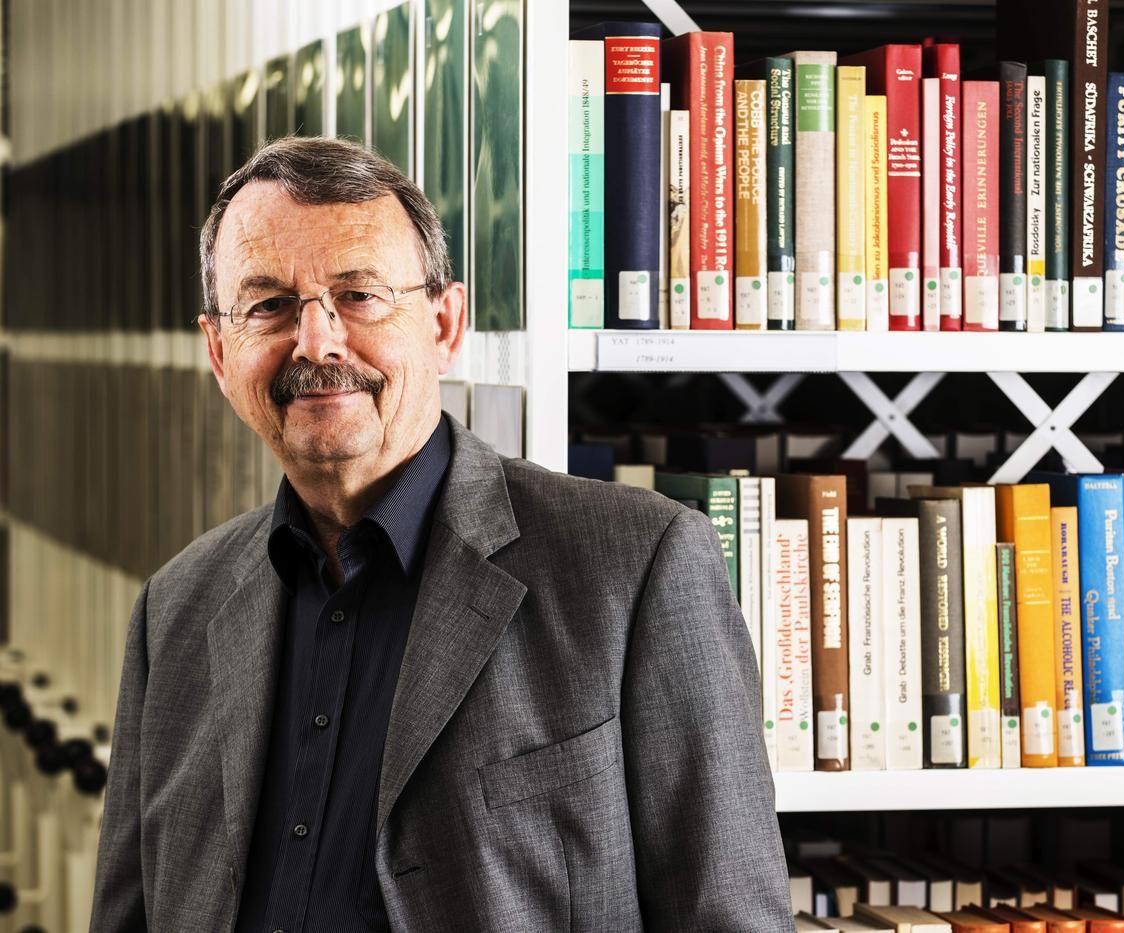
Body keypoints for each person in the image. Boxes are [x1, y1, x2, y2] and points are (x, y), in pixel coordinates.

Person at [89, 137, 791, 932]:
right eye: (269, 305)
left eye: (359, 295)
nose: (316, 342)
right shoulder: (173, 612)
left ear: (445, 324)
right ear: (219, 351)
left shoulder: (635, 568)